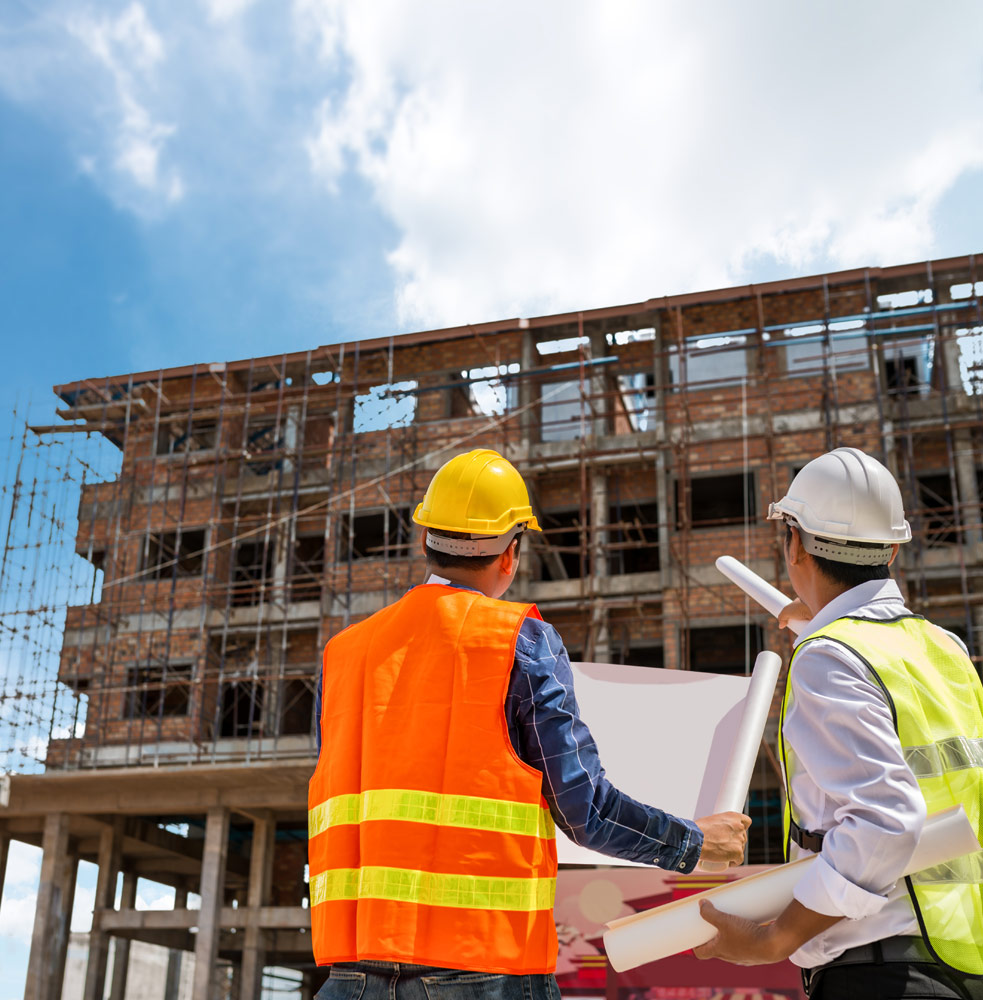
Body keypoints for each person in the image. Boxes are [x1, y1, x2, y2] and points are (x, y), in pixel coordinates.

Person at [309, 448, 750, 1000]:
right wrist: (692, 841)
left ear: (425, 539)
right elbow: (584, 810)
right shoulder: (517, 640)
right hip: (483, 974)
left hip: (349, 978)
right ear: (510, 554)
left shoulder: (343, 654)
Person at [694, 447, 983, 999]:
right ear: (893, 549)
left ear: (795, 542)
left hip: (883, 973)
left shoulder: (831, 657)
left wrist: (774, 939)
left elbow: (886, 821)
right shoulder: (943, 646)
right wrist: (821, 623)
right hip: (962, 956)